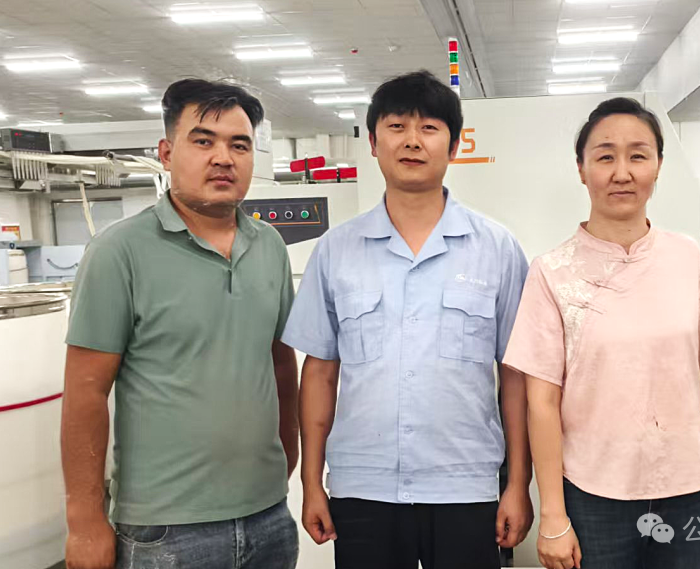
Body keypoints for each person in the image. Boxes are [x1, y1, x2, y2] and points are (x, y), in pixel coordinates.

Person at [282, 70, 533, 569]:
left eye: (429, 128)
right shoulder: (336, 250)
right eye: (397, 127)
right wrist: (311, 483)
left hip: (465, 484)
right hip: (363, 487)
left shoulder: (497, 249)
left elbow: (516, 376)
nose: (413, 141)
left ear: (454, 146)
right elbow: (320, 373)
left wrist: (518, 484)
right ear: (373, 143)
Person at [61, 79, 300, 569]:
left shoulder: (270, 247)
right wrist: (85, 522)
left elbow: (280, 364)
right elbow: (85, 394)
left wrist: (286, 459)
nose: (223, 158)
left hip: (268, 517)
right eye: (204, 141)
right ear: (167, 153)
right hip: (166, 529)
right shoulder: (118, 252)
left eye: (239, 145)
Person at [503, 97, 700, 569]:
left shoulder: (684, 258)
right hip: (594, 496)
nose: (622, 173)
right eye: (605, 157)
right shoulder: (552, 272)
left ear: (658, 166)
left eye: (638, 155)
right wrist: (552, 513)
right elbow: (542, 402)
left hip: (690, 488)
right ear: (581, 169)